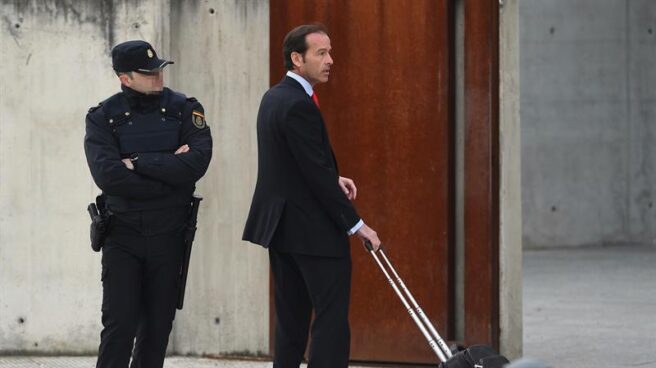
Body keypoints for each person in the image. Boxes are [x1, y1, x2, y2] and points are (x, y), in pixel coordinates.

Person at [242, 24, 382, 368]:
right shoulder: (297, 104)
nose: (330, 60)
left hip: (283, 230)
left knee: (290, 321)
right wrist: (356, 225)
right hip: (313, 233)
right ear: (296, 58)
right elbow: (315, 175)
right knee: (331, 320)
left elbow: (297, 164)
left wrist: (333, 177)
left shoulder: (275, 97)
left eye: (330, 52)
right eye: (321, 53)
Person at [84, 40, 212, 368]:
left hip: (170, 234)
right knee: (119, 327)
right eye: (147, 72)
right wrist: (170, 170)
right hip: (123, 235)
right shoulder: (103, 117)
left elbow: (196, 163)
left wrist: (138, 162)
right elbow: (109, 177)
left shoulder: (185, 108)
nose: (157, 76)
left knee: (157, 329)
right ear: (125, 78)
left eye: (159, 69)